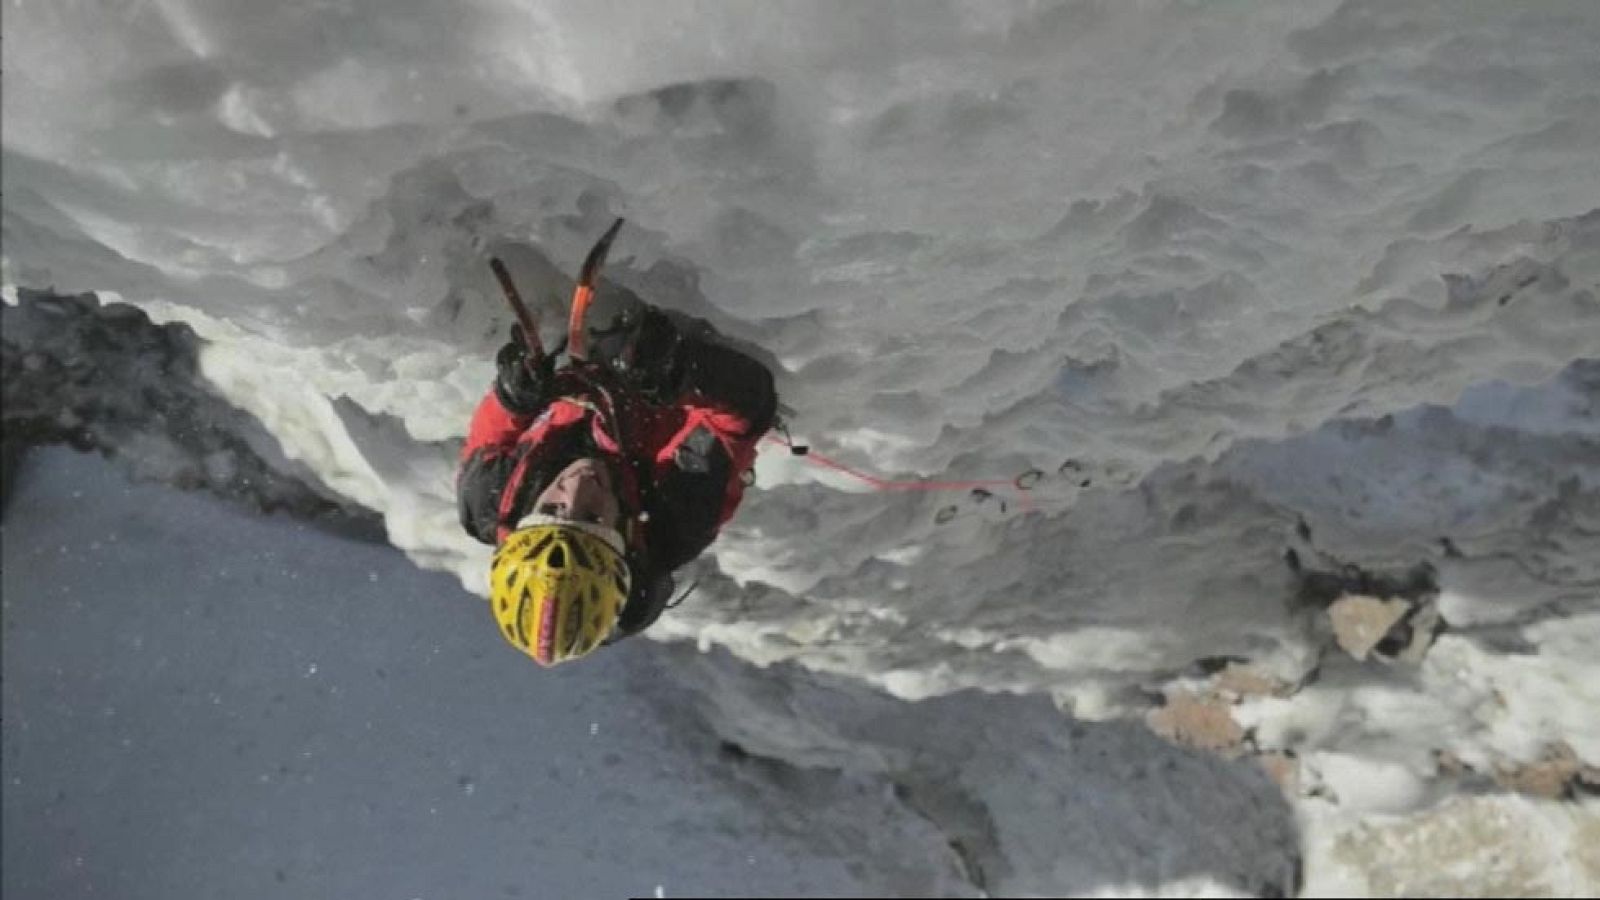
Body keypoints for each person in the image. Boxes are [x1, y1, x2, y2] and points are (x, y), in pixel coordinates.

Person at [457, 285, 778, 666]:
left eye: (553, 509)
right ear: (624, 535)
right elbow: (745, 412)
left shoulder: (489, 504)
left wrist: (514, 396)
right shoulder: (678, 519)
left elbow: (490, 435)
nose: (576, 489)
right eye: (592, 517)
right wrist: (682, 372)